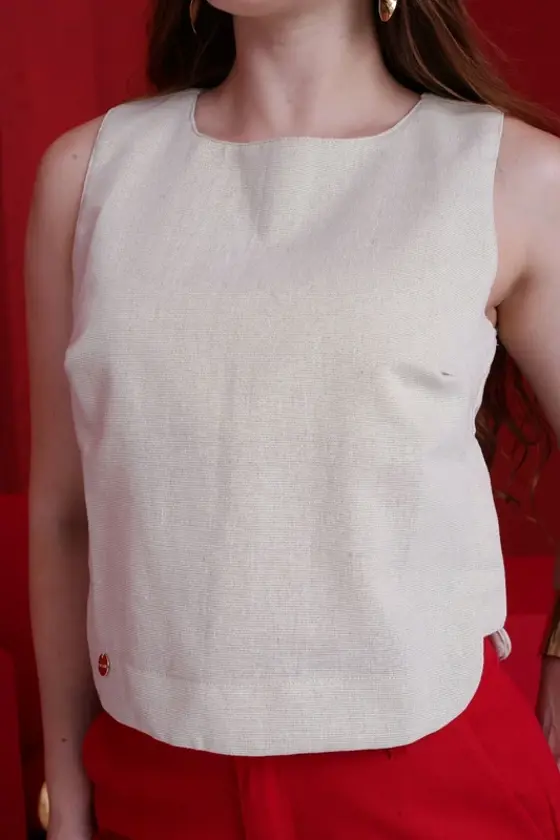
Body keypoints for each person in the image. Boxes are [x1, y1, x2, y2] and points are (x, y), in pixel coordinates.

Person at [25, 0, 560, 838]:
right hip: (154, 778)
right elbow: (63, 514)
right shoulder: (89, 175)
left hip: (434, 775)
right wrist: (65, 793)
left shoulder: (510, 175)